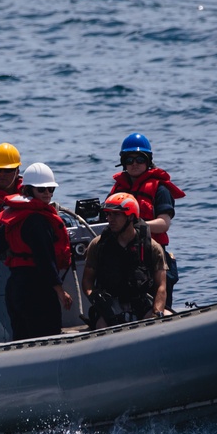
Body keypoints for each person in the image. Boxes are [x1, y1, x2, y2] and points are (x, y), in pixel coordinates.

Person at [0, 163, 73, 340]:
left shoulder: (15, 215)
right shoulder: (38, 221)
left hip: (15, 288)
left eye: (51, 189)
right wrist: (59, 291)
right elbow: (45, 260)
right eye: (42, 190)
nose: (47, 194)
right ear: (28, 190)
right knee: (46, 338)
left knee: (22, 338)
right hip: (37, 289)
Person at [107, 132, 185, 309]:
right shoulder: (118, 189)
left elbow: (164, 223)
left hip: (152, 257)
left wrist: (135, 225)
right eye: (129, 159)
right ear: (123, 162)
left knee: (157, 304)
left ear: (148, 161)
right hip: (123, 258)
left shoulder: (160, 189)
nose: (134, 164)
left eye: (139, 159)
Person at [82, 192, 167, 327]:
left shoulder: (151, 247)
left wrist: (157, 313)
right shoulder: (98, 245)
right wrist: (95, 298)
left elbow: (161, 286)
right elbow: (87, 280)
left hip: (140, 303)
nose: (110, 219)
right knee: (103, 326)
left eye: (116, 214)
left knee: (167, 319)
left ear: (131, 216)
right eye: (108, 214)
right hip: (109, 306)